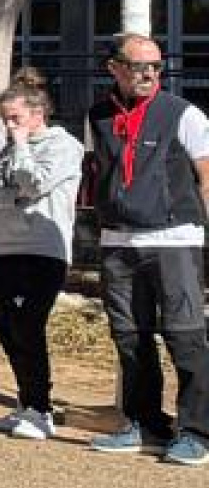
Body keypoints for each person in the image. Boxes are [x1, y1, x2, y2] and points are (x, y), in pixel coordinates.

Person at [88, 32, 209, 462]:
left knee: (185, 334)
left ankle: (196, 432)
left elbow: (206, 176)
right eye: (140, 66)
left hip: (174, 238)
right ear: (114, 68)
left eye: (156, 66)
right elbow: (100, 172)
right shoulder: (97, 115)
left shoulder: (184, 114)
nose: (150, 74)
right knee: (129, 335)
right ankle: (145, 423)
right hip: (118, 240)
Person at [0, 69, 85, 441]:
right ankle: (26, 402)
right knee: (6, 329)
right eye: (5, 119)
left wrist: (20, 152)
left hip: (40, 250)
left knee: (27, 327)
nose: (9, 126)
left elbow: (33, 184)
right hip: (1, 249)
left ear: (38, 114)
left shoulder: (62, 145)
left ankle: (40, 409)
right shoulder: (6, 151)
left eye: (15, 118)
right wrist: (6, 204)